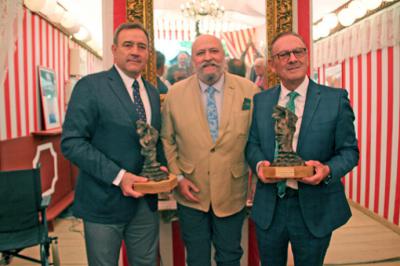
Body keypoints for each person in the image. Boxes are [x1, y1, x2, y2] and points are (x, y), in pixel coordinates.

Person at [245, 31, 359, 266]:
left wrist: (326, 170)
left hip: (314, 208)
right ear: (273, 65)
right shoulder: (262, 101)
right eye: (284, 54)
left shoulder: (334, 99)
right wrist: (259, 165)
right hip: (270, 207)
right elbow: (252, 144)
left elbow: (349, 152)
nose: (292, 58)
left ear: (307, 56)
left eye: (298, 51)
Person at [61, 22, 165, 266]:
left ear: (148, 53)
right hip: (102, 202)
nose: (135, 51)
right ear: (114, 49)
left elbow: (150, 141)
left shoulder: (151, 93)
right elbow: (72, 142)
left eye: (142, 46)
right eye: (128, 45)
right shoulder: (90, 86)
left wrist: (160, 166)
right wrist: (119, 176)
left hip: (144, 205)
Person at [161, 34, 259, 266]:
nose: (208, 58)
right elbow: (167, 139)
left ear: (223, 56)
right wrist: (178, 177)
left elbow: (257, 139)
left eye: (214, 51)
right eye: (201, 53)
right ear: (193, 60)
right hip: (190, 192)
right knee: (196, 258)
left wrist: (255, 178)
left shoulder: (249, 90)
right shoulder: (175, 93)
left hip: (232, 191)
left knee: (230, 256)